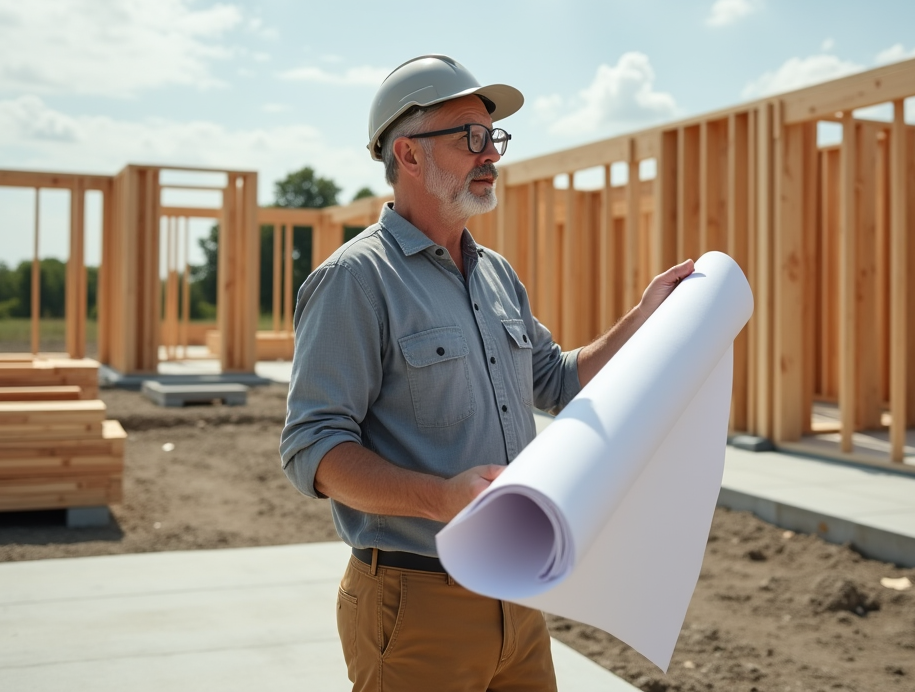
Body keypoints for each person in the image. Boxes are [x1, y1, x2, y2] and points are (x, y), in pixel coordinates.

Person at [280, 55, 694, 691]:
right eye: (470, 137)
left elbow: (556, 380)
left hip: (516, 596)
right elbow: (314, 450)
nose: (490, 154)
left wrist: (641, 318)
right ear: (408, 154)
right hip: (414, 605)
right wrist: (442, 498)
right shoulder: (355, 281)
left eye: (493, 137)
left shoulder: (495, 274)